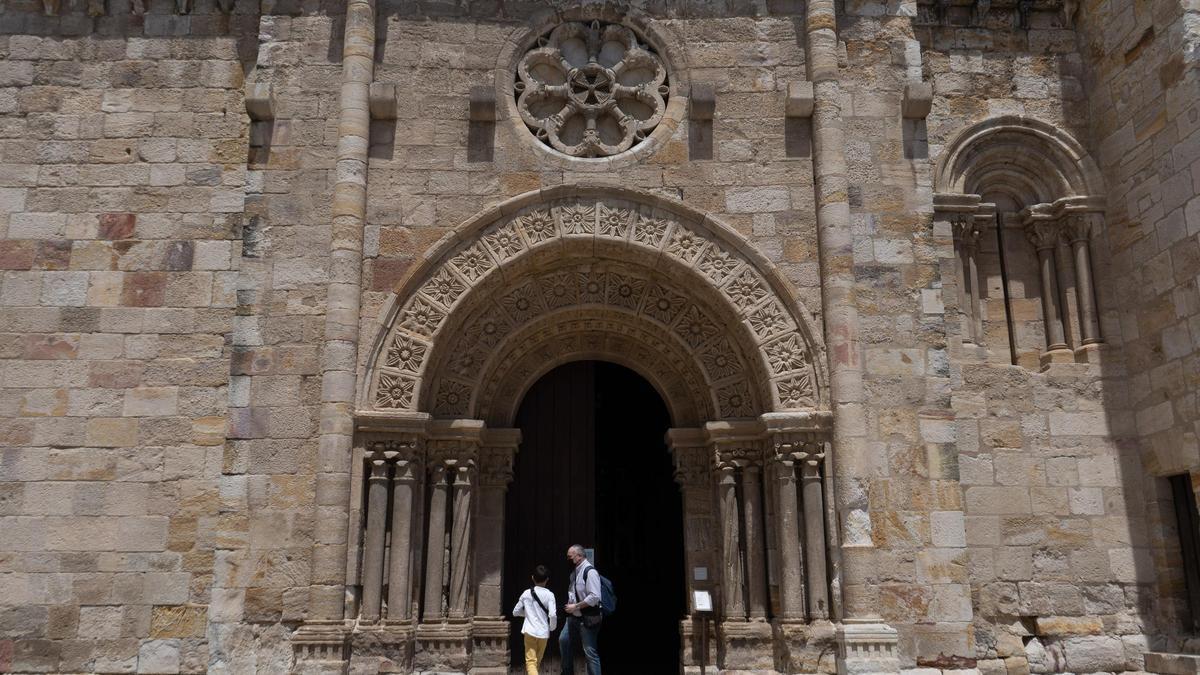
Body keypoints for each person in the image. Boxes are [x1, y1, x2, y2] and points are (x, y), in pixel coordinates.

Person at [559, 544, 602, 675]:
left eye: (569, 556)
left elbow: (595, 597)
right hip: (573, 617)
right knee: (564, 640)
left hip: (587, 617)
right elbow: (574, 592)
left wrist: (576, 606)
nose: (568, 559)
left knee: (590, 652)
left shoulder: (590, 572)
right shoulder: (575, 571)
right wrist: (570, 604)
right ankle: (567, 672)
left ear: (579, 556)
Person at [512, 564, 557, 675]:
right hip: (543, 633)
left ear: (532, 578)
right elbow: (552, 615)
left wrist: (527, 615)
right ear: (547, 579)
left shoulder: (526, 593)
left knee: (531, 662)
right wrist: (551, 628)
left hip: (530, 631)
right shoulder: (550, 595)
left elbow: (515, 612)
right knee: (537, 661)